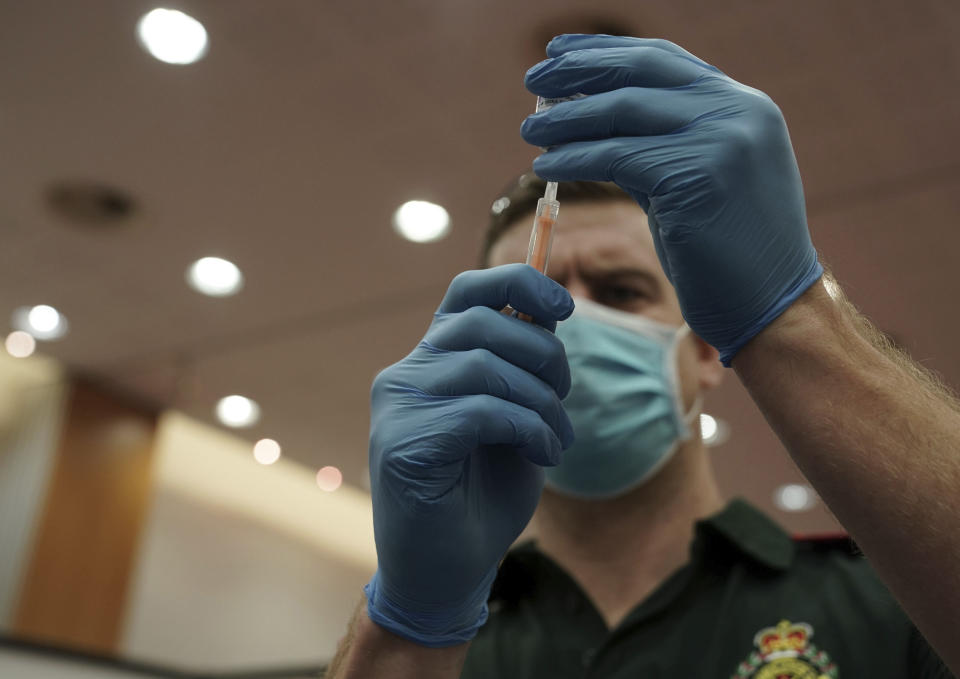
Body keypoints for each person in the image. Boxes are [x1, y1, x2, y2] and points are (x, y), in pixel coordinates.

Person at [325, 35, 960, 678]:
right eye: (526, 310)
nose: (570, 328)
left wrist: (794, 318)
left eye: (621, 292)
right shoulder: (445, 642)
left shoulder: (887, 601)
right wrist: (409, 623)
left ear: (706, 348)